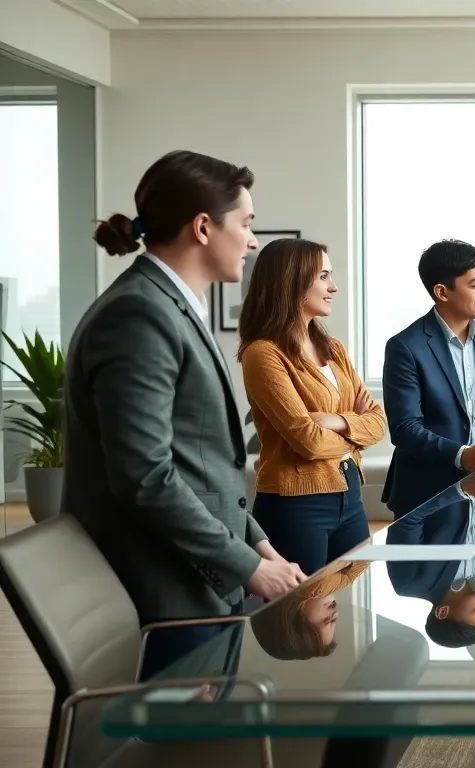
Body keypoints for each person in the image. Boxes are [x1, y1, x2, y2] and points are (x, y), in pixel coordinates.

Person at [73, 149, 304, 679]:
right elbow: (145, 477)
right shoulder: (139, 314)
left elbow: (198, 463)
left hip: (201, 579)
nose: (252, 240)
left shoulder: (169, 306)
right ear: (203, 227)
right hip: (167, 595)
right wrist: (248, 567)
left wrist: (259, 544)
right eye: (246, 224)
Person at [238, 238, 387, 576]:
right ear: (291, 280)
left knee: (353, 605)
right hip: (296, 505)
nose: (333, 286)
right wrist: (355, 430)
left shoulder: (333, 348)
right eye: (323, 276)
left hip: (349, 495)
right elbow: (308, 440)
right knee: (300, 617)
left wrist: (336, 421)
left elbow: (378, 422)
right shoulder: (263, 353)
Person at [382, 239, 475, 516]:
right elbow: (405, 428)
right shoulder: (405, 346)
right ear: (442, 292)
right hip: (426, 496)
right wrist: (464, 455)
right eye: (474, 284)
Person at [387, 470, 475, 658]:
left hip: (436, 469)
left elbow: (408, 520)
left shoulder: (410, 583)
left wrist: (462, 490)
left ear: (443, 612)